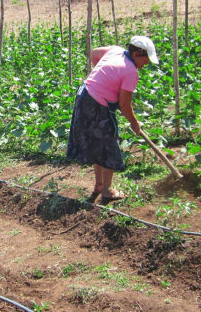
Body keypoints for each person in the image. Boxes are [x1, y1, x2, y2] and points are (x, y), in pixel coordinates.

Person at [67, 36, 159, 202]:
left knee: (97, 143)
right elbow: (124, 105)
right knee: (108, 145)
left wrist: (104, 76)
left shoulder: (115, 51)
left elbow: (94, 53)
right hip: (96, 103)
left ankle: (99, 185)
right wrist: (135, 123)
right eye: (146, 60)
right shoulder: (131, 72)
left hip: (84, 94)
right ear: (138, 53)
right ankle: (107, 191)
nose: (145, 64)